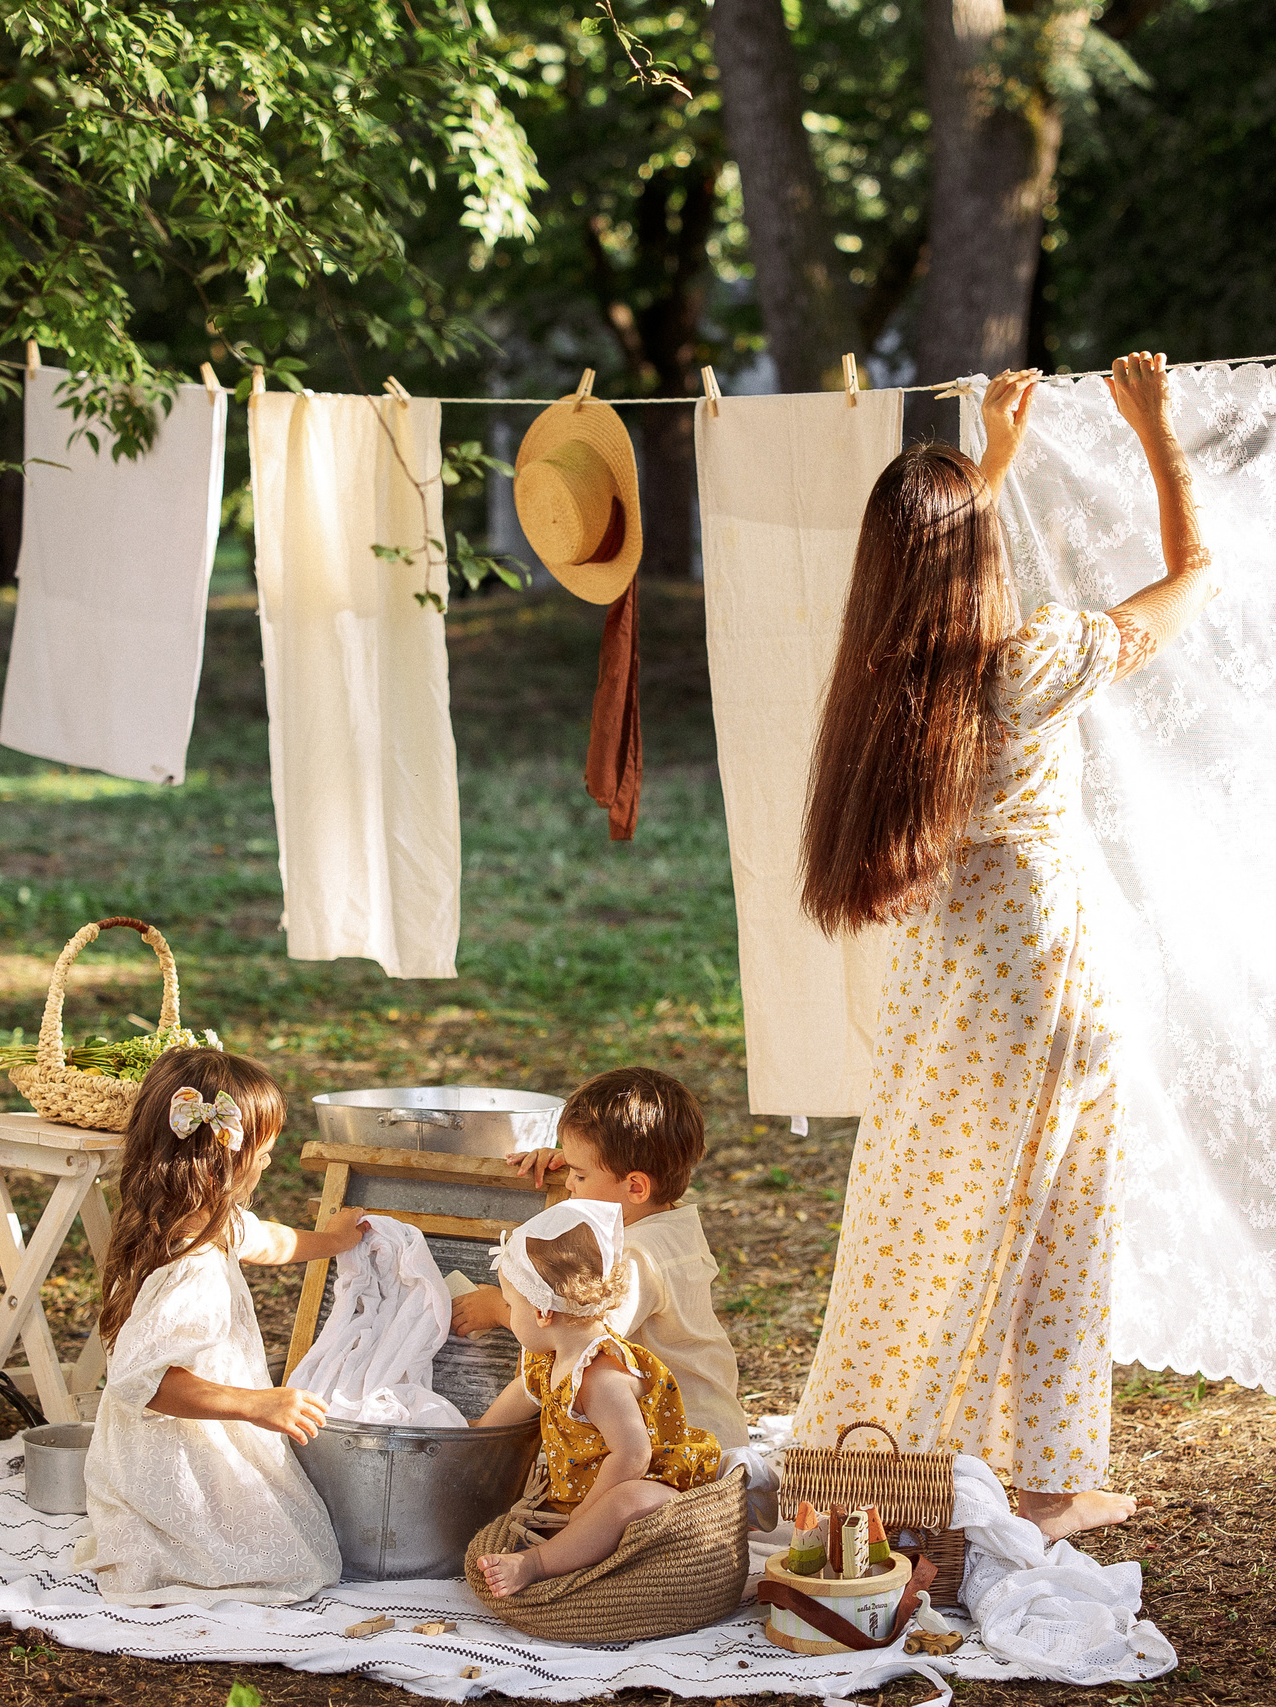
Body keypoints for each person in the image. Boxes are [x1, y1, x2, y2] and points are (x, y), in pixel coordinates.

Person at [791, 353, 1218, 1542]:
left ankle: (895, 1454)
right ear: (979, 553)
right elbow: (1195, 575)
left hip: (943, 979)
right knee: (1059, 1211)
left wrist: (990, 461)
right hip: (1040, 970)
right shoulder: (1028, 662)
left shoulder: (882, 682)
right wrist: (1154, 427)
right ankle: (1040, 1476)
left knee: (927, 1213)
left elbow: (927, 561)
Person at [74, 1047, 368, 1606]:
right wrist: (256, 1405)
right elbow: (149, 1384)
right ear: (222, 1160)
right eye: (263, 1153)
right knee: (288, 1561)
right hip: (176, 1449)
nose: (268, 1163)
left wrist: (332, 1241)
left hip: (186, 1434)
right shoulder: (192, 1270)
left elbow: (268, 1241)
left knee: (289, 1541)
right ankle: (169, 1536)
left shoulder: (189, 1217)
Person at [450, 1067, 748, 1448]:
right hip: (694, 1424)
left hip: (680, 1442)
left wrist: (498, 1308)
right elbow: (617, 1180)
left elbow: (575, 1336)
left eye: (579, 1174)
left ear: (636, 1186)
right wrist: (573, 1161)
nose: (568, 1183)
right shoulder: (665, 1217)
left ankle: (485, 1436)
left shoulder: (638, 1258)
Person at [471, 1200, 722, 1596]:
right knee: (533, 1503)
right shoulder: (549, 1360)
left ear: (541, 1312)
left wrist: (587, 1513)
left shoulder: (600, 1374)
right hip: (582, 1489)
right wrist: (476, 1434)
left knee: (625, 1501)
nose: (506, 1311)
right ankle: (576, 1545)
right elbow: (517, 1398)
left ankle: (537, 1563)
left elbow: (633, 1456)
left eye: (508, 1304)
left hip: (651, 1487)